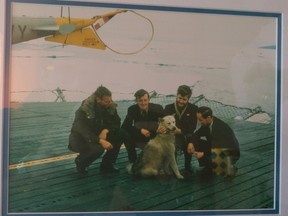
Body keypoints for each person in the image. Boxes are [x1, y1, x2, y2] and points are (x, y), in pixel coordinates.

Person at [68, 86, 124, 174]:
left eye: (110, 100)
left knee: (121, 134)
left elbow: (117, 122)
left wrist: (106, 130)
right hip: (81, 139)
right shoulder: (84, 109)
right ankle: (81, 162)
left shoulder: (110, 106)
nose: (109, 103)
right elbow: (83, 130)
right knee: (98, 149)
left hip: (100, 134)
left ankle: (107, 165)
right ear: (98, 99)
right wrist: (100, 140)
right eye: (106, 101)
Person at [193, 106, 240, 176]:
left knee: (212, 156)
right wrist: (191, 143)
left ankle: (229, 167)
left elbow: (218, 146)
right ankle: (209, 167)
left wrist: (203, 154)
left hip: (231, 152)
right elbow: (197, 134)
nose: (199, 122)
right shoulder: (208, 123)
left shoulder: (220, 127)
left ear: (208, 118)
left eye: (200, 120)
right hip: (217, 147)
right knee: (199, 142)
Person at [121, 89, 164, 164]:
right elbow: (125, 126)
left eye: (145, 100)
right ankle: (133, 162)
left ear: (149, 99)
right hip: (139, 136)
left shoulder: (158, 108)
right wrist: (140, 130)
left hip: (154, 136)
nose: (143, 103)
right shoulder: (132, 109)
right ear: (136, 101)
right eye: (140, 100)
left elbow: (166, 122)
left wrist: (162, 128)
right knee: (125, 135)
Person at [164, 85, 198, 173]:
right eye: (179, 98)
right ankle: (172, 167)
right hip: (172, 135)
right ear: (176, 95)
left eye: (184, 99)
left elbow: (192, 127)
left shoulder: (193, 109)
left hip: (187, 134)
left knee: (190, 144)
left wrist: (181, 131)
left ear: (188, 99)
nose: (181, 101)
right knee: (172, 145)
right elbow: (164, 124)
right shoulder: (168, 108)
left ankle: (187, 165)